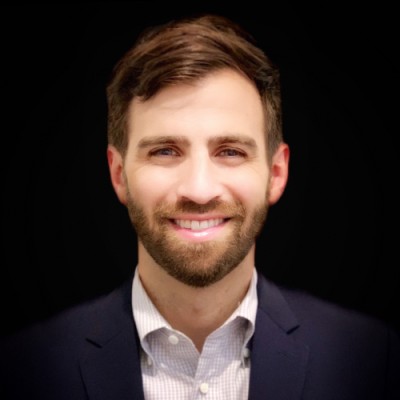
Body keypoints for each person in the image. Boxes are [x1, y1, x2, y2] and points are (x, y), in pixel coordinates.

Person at [1, 13, 399, 400]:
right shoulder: (23, 368)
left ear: (276, 173)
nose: (199, 189)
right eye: (164, 151)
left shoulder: (370, 357)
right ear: (119, 174)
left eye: (230, 151)